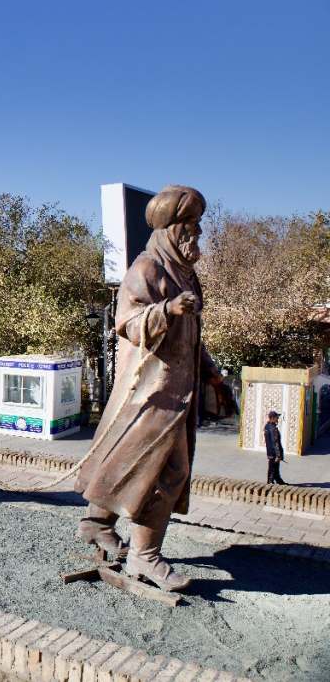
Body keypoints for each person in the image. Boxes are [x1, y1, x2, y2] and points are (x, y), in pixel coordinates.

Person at [74, 185, 233, 593]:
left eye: (198, 227)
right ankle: (146, 558)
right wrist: (167, 309)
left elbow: (192, 337)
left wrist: (212, 374)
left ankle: (95, 524)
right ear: (170, 229)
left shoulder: (186, 274)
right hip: (150, 392)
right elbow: (126, 322)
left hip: (176, 390)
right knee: (164, 470)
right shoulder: (147, 268)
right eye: (189, 228)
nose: (196, 236)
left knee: (128, 461)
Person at [264, 410, 287, 484]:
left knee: (273, 468)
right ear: (272, 418)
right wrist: (278, 455)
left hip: (270, 452)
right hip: (274, 453)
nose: (278, 419)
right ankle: (270, 483)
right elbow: (275, 442)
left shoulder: (267, 426)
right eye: (277, 417)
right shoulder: (273, 429)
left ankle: (278, 480)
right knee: (273, 469)